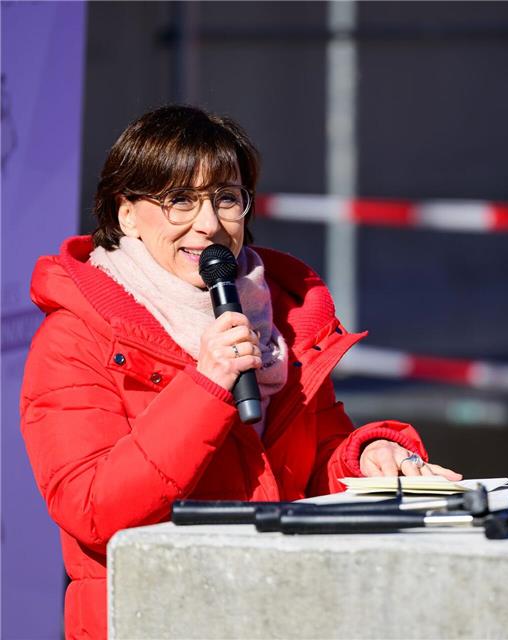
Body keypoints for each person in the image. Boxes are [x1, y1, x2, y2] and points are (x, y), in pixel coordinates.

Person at [19, 105, 460, 640]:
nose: (208, 224)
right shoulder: (76, 338)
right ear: (127, 213)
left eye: (226, 198)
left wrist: (364, 458)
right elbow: (92, 508)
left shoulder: (283, 321)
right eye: (178, 200)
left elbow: (309, 464)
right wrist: (206, 386)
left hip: (280, 610)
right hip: (153, 617)